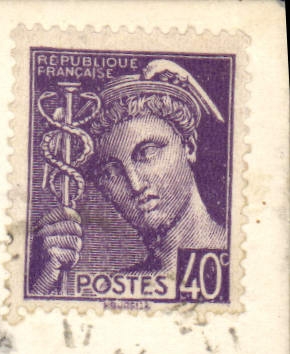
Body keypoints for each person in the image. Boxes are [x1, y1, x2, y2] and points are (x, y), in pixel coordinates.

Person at [33, 58, 226, 289]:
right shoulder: (116, 287)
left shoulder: (248, 256)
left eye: (147, 152)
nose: (135, 185)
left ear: (189, 146)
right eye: (110, 171)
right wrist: (43, 279)